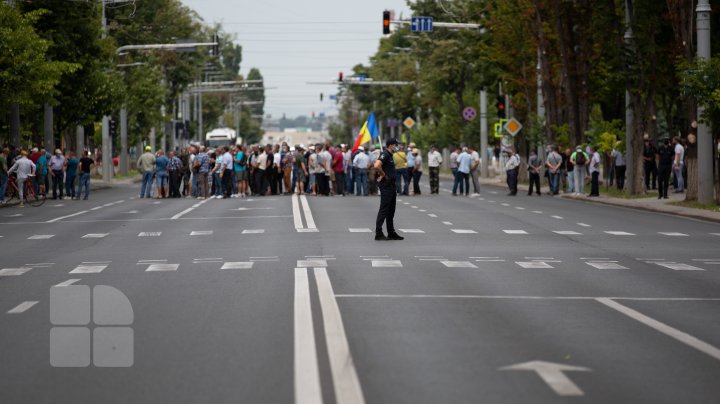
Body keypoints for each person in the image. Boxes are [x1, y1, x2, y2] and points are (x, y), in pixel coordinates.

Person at [374, 138, 403, 241]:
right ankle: (378, 233)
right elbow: (377, 165)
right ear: (391, 145)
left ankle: (391, 232)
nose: (397, 147)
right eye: (396, 145)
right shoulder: (385, 154)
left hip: (391, 185)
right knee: (384, 210)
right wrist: (383, 174)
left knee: (391, 210)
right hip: (386, 185)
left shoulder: (390, 155)